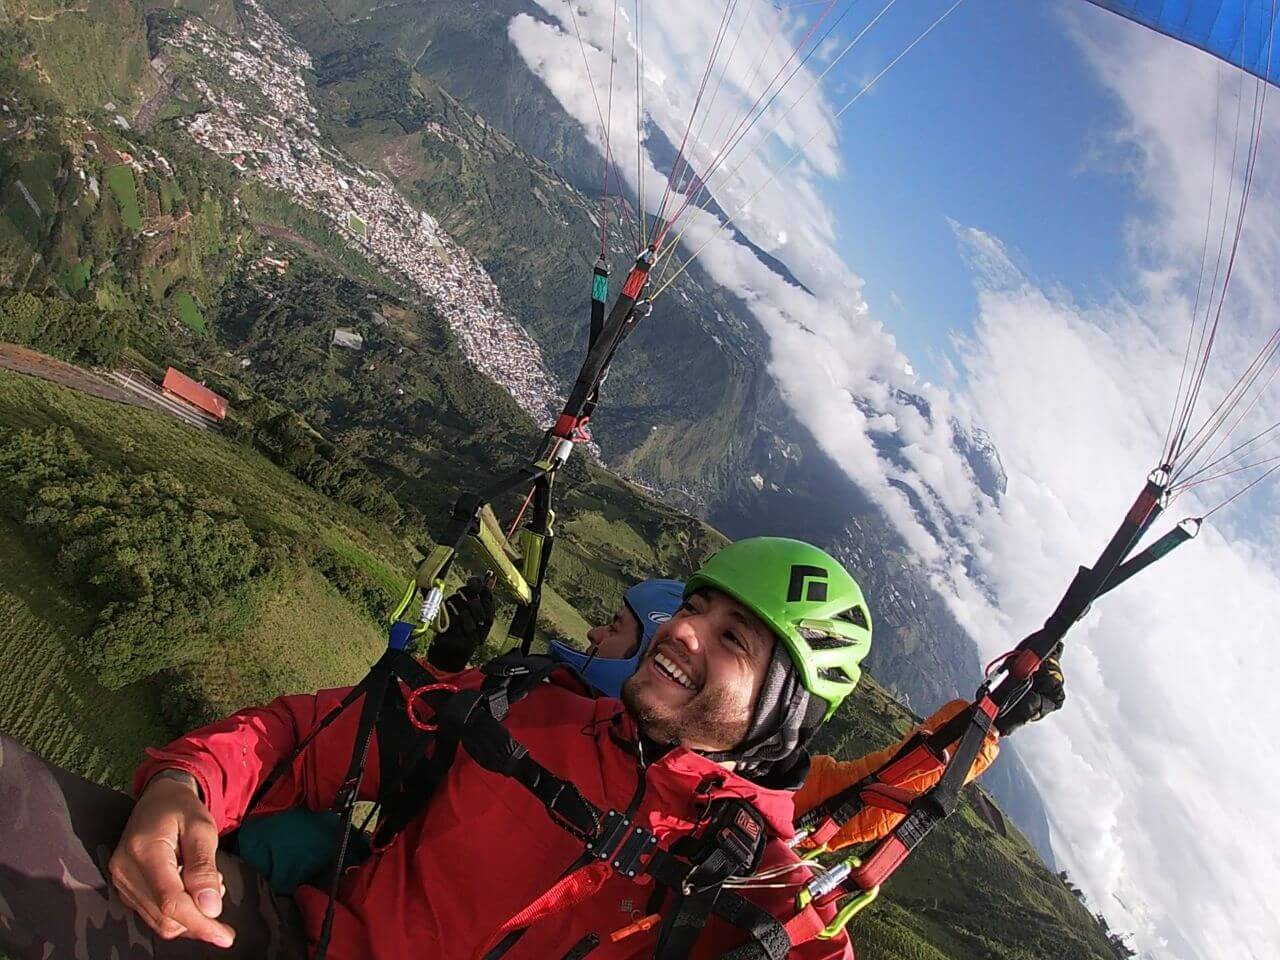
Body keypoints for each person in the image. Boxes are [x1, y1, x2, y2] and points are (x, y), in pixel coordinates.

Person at [0, 537, 880, 959]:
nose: (685, 633)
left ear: (785, 713)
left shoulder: (758, 901)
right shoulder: (530, 711)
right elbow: (313, 732)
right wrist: (186, 785)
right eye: (694, 607)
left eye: (734, 638)